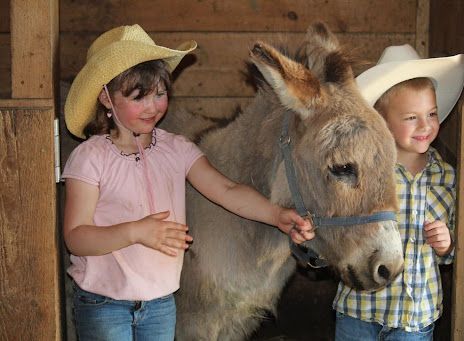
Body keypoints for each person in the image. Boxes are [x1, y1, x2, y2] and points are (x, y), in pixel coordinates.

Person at [61, 24, 314, 340]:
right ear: (106, 98)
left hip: (160, 305)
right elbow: (77, 237)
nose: (153, 106)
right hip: (104, 304)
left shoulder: (175, 149)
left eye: (160, 93)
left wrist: (276, 215)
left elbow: (227, 190)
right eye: (139, 97)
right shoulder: (90, 158)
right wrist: (136, 232)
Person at [333, 44, 464, 340]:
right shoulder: (364, 172)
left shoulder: (447, 176)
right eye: (411, 118)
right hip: (359, 310)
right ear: (382, 123)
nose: (426, 125)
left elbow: (452, 254)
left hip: (414, 317)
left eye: (431, 113)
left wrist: (447, 244)